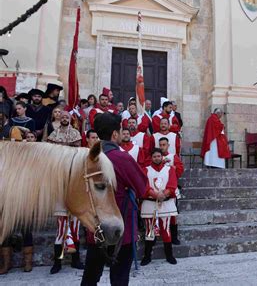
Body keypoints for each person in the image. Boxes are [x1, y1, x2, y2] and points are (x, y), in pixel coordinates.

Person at [81, 112, 155, 286]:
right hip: (121, 227)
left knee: (90, 277)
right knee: (120, 278)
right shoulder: (122, 158)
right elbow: (142, 187)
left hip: (96, 226)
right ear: (115, 134)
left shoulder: (87, 158)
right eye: (121, 130)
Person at [47, 111, 83, 274]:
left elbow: (76, 152)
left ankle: (76, 260)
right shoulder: (54, 133)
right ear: (58, 119)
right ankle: (58, 262)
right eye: (62, 117)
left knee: (75, 227)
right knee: (61, 230)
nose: (64, 119)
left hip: (74, 185)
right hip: (60, 184)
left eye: (67, 117)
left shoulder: (75, 133)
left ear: (71, 119)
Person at [0, 131, 37, 275]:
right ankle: (6, 263)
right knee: (5, 232)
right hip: (6, 202)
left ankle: (27, 262)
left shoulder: (26, 167)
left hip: (22, 201)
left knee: (26, 230)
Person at [140, 148, 178, 266]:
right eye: (154, 156)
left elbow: (172, 185)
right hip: (150, 203)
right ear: (151, 158)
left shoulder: (169, 169)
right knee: (149, 231)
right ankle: (147, 256)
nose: (157, 158)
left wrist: (164, 194)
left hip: (165, 204)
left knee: (166, 230)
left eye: (158, 156)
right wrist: (155, 194)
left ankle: (169, 255)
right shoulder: (145, 170)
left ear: (162, 157)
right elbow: (144, 186)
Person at [158, 137, 184, 245]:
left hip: (171, 189)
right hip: (158, 190)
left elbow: (180, 170)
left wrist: (171, 166)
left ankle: (174, 236)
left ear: (168, 145)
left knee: (173, 214)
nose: (162, 147)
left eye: (164, 145)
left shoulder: (173, 156)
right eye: (160, 145)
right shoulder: (156, 156)